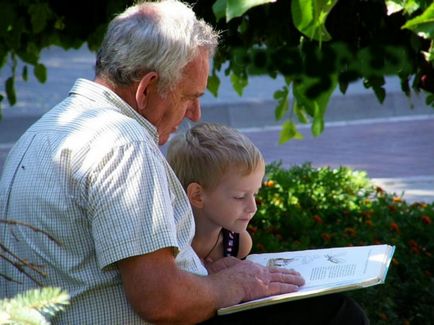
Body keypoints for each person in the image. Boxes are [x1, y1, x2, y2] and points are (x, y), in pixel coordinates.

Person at [0, 0, 368, 324]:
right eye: (188, 97)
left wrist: (207, 276)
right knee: (338, 313)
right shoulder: (123, 144)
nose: (195, 113)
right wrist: (228, 284)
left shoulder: (48, 126)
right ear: (146, 89)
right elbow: (162, 302)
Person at [166, 122, 264, 264]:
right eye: (240, 197)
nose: (253, 207)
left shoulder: (238, 244)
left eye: (255, 194)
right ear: (197, 196)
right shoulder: (168, 245)